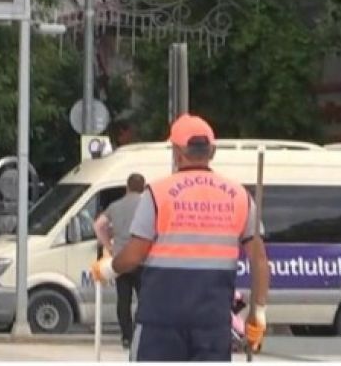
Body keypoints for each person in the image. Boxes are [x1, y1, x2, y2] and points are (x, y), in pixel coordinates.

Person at [93, 114, 270, 362]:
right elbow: (259, 260)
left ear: (177, 152)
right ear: (213, 151)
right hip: (212, 323)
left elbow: (135, 254)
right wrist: (258, 313)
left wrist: (108, 269)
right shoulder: (240, 196)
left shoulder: (157, 193)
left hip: (160, 322)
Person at [94, 173, 147, 349]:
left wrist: (108, 245)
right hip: (142, 259)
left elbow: (98, 225)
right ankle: (140, 334)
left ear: (127, 187)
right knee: (144, 299)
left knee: (123, 300)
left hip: (120, 259)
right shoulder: (147, 205)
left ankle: (126, 337)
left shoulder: (115, 206)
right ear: (143, 187)